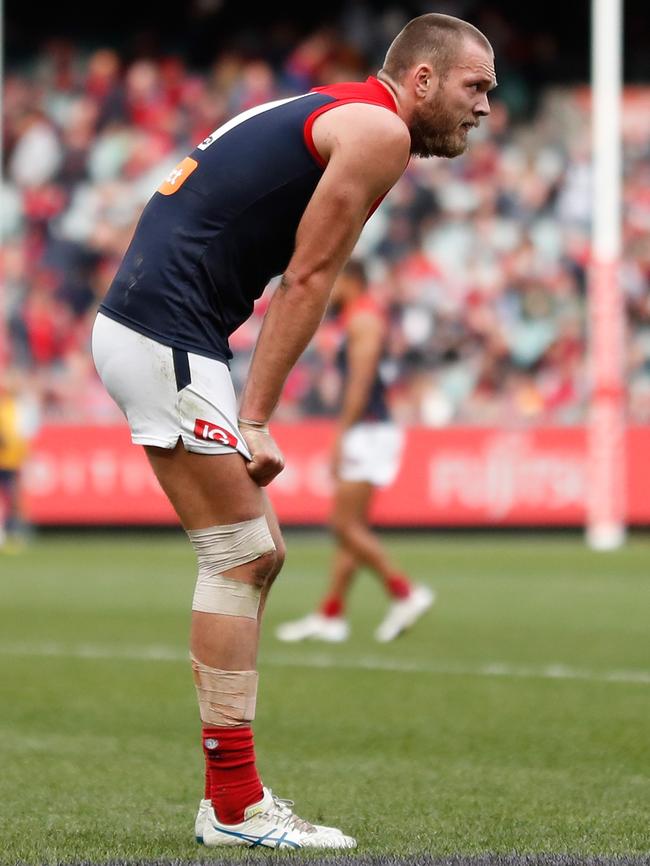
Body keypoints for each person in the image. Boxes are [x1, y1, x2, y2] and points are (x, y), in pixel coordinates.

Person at [91, 12, 496, 850]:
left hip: (159, 326)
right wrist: (255, 416)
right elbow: (309, 277)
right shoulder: (380, 129)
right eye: (475, 86)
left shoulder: (335, 107)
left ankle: (230, 800)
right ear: (420, 79)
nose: (486, 106)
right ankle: (235, 805)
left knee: (253, 551)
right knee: (241, 553)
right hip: (164, 331)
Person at [276, 260, 434, 644]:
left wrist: (339, 437)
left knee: (342, 526)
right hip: (371, 429)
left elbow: (359, 387)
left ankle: (404, 591)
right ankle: (331, 614)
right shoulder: (360, 319)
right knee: (352, 529)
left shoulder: (364, 321)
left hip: (368, 431)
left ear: (351, 281)